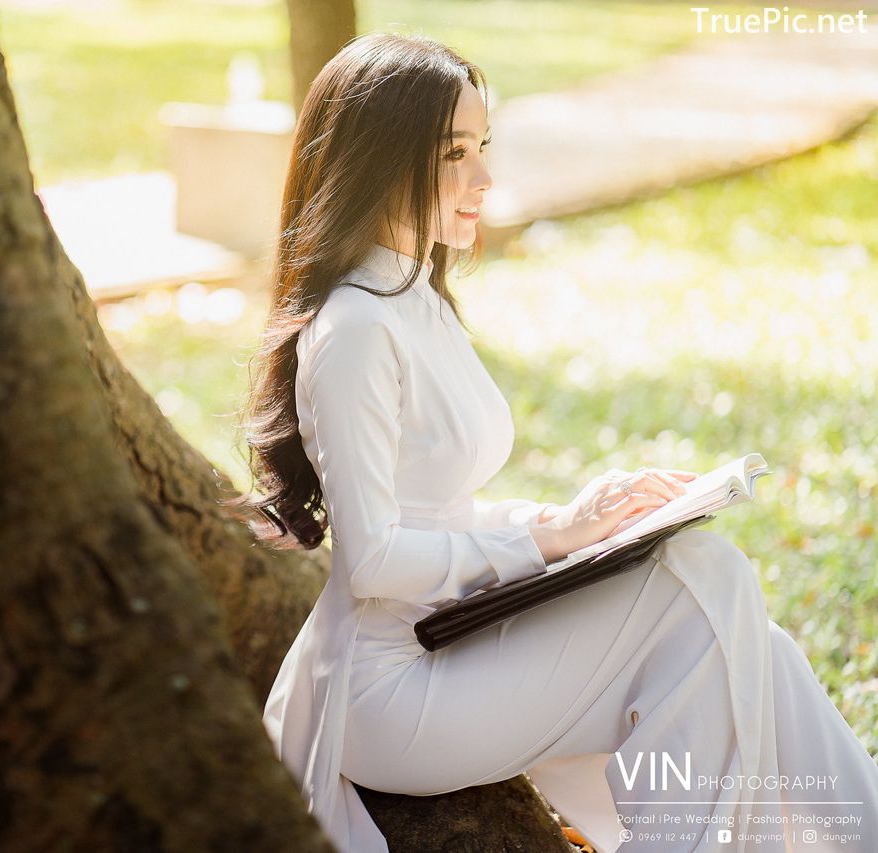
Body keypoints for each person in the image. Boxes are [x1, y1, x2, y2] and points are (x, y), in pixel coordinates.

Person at [228, 31, 878, 853]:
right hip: (389, 690)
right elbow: (374, 558)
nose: (484, 177)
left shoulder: (415, 295)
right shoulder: (356, 325)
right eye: (453, 152)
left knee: (743, 638)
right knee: (710, 583)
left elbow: (438, 505)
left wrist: (580, 516)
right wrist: (546, 540)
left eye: (483, 146)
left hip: (451, 633)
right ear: (382, 160)